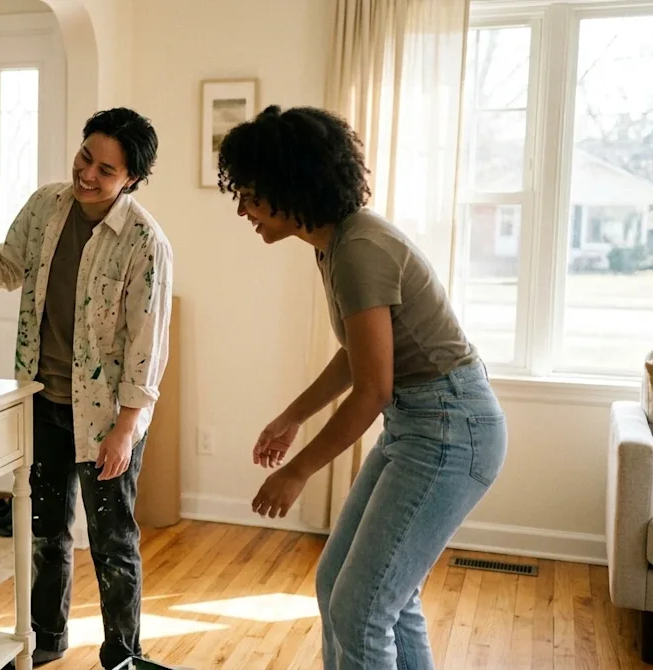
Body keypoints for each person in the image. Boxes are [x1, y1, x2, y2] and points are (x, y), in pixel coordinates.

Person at [217, 105, 507, 669]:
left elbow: (373, 389)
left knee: (362, 608)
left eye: (249, 193)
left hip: (452, 430)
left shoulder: (358, 250)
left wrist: (297, 469)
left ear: (286, 185)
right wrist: (293, 416)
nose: (242, 209)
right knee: (346, 589)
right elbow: (359, 355)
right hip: (423, 424)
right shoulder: (333, 245)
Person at [0, 108, 174, 669]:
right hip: (41, 399)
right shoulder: (48, 206)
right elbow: (9, 264)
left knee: (112, 545)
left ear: (130, 178)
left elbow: (146, 349)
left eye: (106, 170)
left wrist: (126, 430)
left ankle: (122, 658)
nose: (87, 175)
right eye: (85, 157)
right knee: (45, 533)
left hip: (107, 418)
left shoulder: (144, 242)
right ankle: (46, 642)